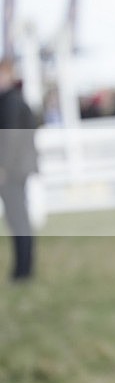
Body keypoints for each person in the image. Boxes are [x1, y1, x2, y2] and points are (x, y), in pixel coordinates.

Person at [0, 57, 38, 281]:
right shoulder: (12, 100)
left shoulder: (10, 102)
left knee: (18, 219)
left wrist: (2, 166)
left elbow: (11, 138)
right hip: (15, 169)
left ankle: (23, 271)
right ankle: (21, 269)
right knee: (16, 219)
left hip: (12, 171)